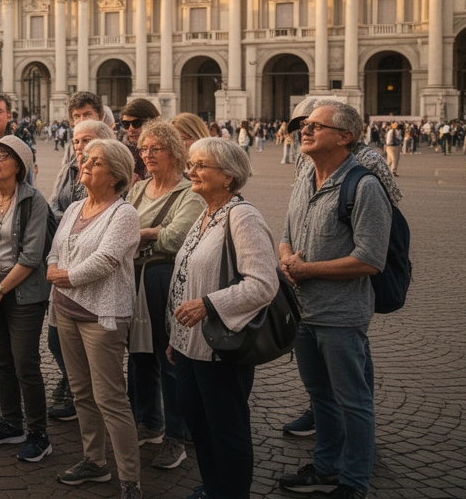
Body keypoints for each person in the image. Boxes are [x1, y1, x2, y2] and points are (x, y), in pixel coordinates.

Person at [277, 102, 390, 499]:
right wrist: (287, 258)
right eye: (304, 125)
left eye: (315, 126)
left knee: (353, 401)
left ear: (345, 136)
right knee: (320, 396)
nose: (304, 130)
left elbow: (370, 259)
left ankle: (354, 481)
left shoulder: (365, 186)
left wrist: (307, 270)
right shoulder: (305, 176)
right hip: (303, 312)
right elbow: (286, 233)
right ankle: (325, 467)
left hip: (341, 315)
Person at [166, 137, 278, 499]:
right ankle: (213, 486)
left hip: (221, 346)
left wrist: (209, 305)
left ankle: (231, 492)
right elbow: (186, 276)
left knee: (226, 427)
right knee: (196, 418)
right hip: (189, 344)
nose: (190, 171)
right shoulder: (206, 212)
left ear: (228, 176)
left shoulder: (242, 216)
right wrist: (175, 336)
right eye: (191, 163)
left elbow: (263, 284)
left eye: (200, 165)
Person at [47, 138, 143, 499]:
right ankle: (95, 462)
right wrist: (56, 270)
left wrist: (64, 277)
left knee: (110, 398)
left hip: (102, 316)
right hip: (66, 311)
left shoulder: (124, 214)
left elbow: (106, 260)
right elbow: (55, 250)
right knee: (82, 392)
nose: (85, 164)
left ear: (117, 175)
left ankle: (130, 479)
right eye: (86, 159)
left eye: (96, 162)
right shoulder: (74, 208)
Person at [0, 135, 54, 462]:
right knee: (1, 362)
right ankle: (10, 422)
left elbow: (32, 257)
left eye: (2, 156)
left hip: (22, 290)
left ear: (18, 166)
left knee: (25, 364)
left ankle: (38, 433)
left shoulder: (34, 200)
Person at [125, 121, 204, 471]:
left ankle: (177, 434)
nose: (147, 154)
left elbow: (175, 238)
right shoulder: (139, 188)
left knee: (169, 358)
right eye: (144, 149)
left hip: (165, 279)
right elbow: (121, 227)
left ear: (174, 151)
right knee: (139, 355)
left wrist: (139, 234)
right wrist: (149, 233)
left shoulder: (190, 191)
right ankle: (149, 421)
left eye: (155, 148)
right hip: (133, 277)